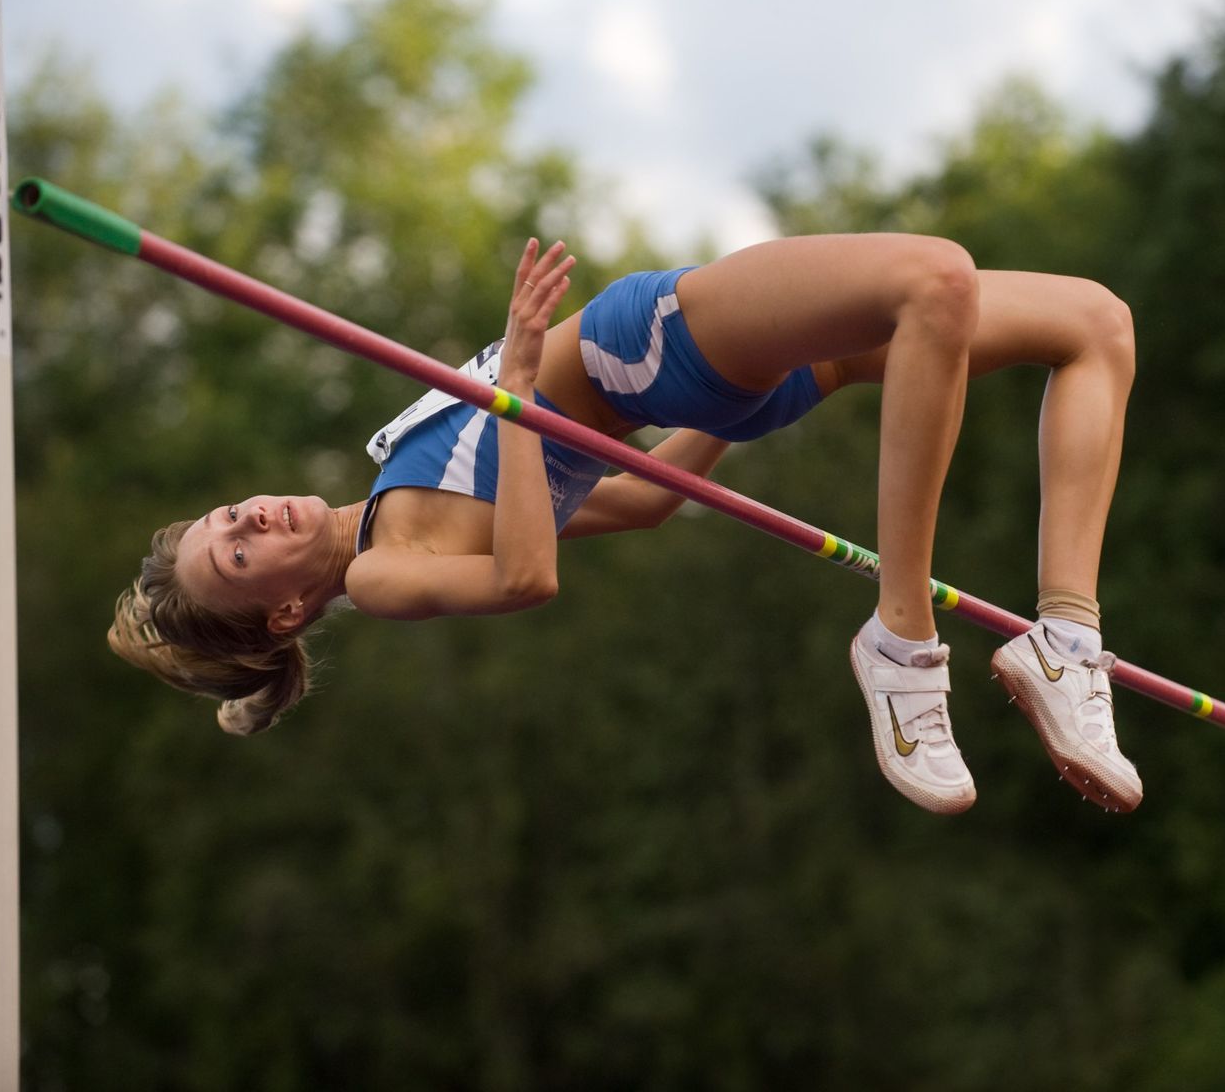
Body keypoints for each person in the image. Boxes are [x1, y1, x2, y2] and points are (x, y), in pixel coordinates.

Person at [108, 233, 1141, 814]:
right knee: (938, 281)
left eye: (224, 515)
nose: (246, 515)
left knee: (1093, 324)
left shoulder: (393, 473)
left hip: (723, 387)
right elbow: (525, 576)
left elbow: (644, 500)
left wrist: (745, 390)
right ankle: (901, 638)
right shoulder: (385, 567)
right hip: (640, 348)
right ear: (286, 608)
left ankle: (1065, 636)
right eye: (237, 552)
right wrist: (515, 383)